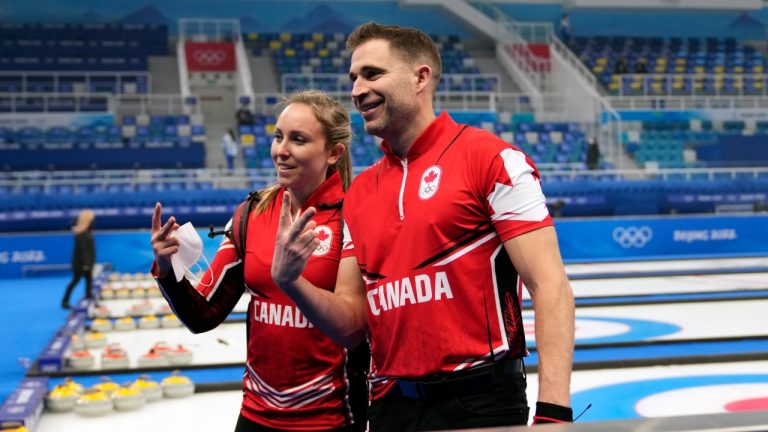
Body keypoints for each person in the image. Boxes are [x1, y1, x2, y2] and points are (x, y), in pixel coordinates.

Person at [271, 22, 575, 431]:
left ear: (420, 77)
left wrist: (554, 411)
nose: (357, 90)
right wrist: (292, 283)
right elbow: (351, 325)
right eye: (354, 78)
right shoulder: (358, 193)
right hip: (390, 406)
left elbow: (549, 285)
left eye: (372, 74)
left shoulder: (492, 160)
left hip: (481, 402)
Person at [150, 90, 368, 432]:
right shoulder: (251, 214)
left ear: (333, 153)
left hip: (331, 418)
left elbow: (355, 329)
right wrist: (166, 271)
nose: (281, 150)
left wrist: (293, 282)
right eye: (278, 136)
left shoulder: (354, 216)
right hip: (255, 415)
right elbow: (203, 314)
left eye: (298, 139)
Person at [61, 209, 95, 309]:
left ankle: (89, 296)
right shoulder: (81, 233)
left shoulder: (87, 231)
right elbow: (82, 250)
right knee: (75, 281)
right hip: (81, 263)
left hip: (88, 261)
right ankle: (65, 301)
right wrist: (85, 264)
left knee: (89, 280)